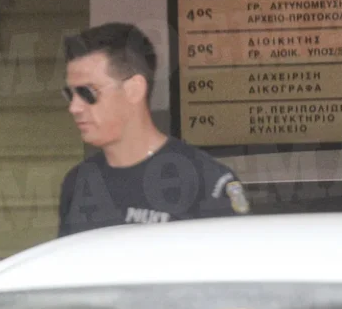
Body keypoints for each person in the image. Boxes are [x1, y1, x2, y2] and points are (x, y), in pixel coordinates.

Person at [57, 23, 250, 237]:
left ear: (134, 89)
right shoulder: (79, 181)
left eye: (87, 93)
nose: (74, 107)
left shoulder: (207, 181)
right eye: (70, 94)